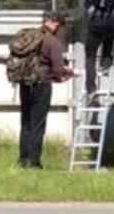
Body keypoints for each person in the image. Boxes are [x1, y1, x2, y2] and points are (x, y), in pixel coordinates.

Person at [18, 10, 74, 169]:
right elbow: (58, 69)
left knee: (26, 122)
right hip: (41, 84)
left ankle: (23, 160)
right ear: (55, 23)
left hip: (24, 82)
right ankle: (34, 162)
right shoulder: (51, 41)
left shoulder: (29, 37)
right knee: (38, 124)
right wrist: (71, 73)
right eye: (60, 26)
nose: (60, 30)